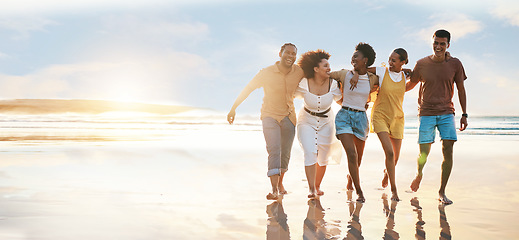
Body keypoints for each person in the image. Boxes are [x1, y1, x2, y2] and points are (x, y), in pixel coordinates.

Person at [227, 43, 304, 200]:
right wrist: (233, 107)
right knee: (274, 149)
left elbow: (319, 76)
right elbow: (248, 88)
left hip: (289, 117)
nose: (291, 56)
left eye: (294, 54)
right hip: (269, 116)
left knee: (285, 153)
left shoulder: (299, 72)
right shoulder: (266, 73)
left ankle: (280, 183)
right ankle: (274, 189)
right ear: (280, 53)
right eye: (287, 53)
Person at [407, 29, 468, 205]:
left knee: (448, 150)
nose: (438, 46)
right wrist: (390, 84)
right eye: (436, 43)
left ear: (448, 45)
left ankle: (442, 191)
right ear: (432, 42)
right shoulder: (422, 64)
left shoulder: (455, 64)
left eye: (442, 43)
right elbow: (410, 84)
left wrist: (464, 114)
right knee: (423, 152)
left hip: (447, 113)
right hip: (426, 112)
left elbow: (461, 89)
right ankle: (419, 173)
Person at [330, 42, 378, 203]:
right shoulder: (345, 74)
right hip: (344, 116)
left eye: (356, 56)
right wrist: (353, 72)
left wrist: (360, 72)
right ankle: (359, 191)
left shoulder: (372, 79)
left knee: (358, 159)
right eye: (353, 55)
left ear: (365, 59)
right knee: (351, 153)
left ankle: (351, 179)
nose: (353, 58)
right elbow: (326, 74)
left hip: (361, 119)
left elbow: (390, 73)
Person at [295, 50, 342, 198]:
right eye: (325, 66)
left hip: (326, 122)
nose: (329, 68)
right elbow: (289, 93)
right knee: (310, 152)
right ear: (316, 69)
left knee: (323, 156)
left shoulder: (334, 84)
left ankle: (317, 185)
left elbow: (341, 101)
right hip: (306, 120)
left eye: (329, 65)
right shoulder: (303, 83)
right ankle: (311, 189)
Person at [366, 48, 411, 202]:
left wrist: (405, 71)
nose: (390, 63)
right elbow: (362, 69)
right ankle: (394, 190)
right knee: (390, 153)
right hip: (380, 116)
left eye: (394, 60)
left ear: (402, 62)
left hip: (397, 118)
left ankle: (387, 172)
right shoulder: (382, 71)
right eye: (390, 59)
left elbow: (416, 80)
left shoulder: (405, 76)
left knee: (396, 158)